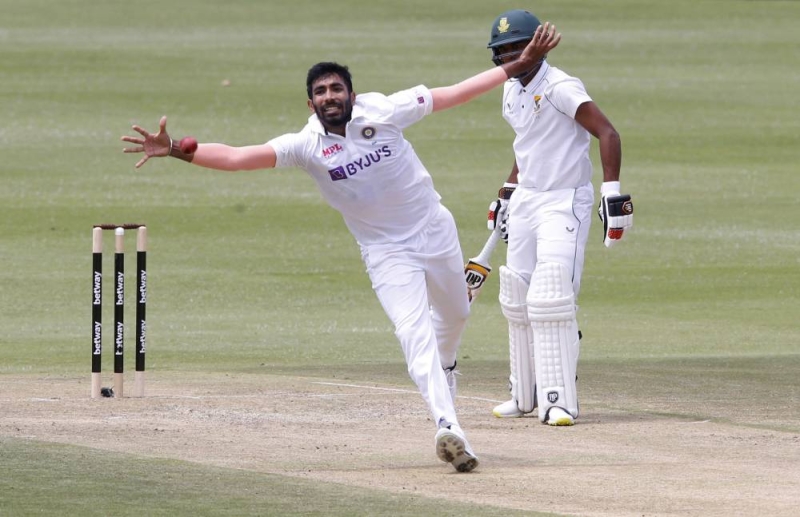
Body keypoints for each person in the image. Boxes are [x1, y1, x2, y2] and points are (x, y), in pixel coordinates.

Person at [121, 30, 560, 472]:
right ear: (310, 103)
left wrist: (516, 66)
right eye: (320, 91)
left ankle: (445, 370)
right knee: (414, 334)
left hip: (434, 229)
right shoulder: (306, 145)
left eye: (336, 88)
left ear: (352, 94)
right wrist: (175, 150)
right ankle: (449, 426)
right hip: (386, 252)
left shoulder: (383, 109)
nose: (329, 96)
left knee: (455, 316)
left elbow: (454, 93)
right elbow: (238, 157)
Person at [484, 9, 633, 426]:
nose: (512, 56)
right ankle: (524, 394)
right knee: (517, 296)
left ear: (538, 46)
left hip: (564, 201)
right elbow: (527, 142)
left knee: (552, 298)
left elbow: (608, 132)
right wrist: (507, 191)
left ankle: (560, 401)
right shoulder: (509, 89)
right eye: (504, 51)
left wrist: (611, 191)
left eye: (519, 47)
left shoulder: (560, 87)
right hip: (528, 199)